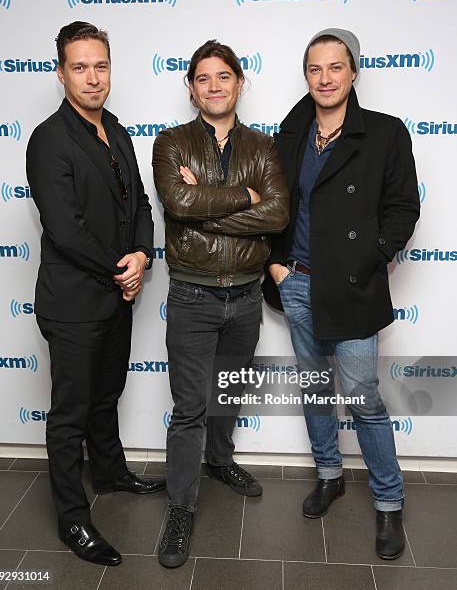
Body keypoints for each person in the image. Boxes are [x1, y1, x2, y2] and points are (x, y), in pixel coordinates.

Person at [263, 28, 420, 560]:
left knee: (363, 398)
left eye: (335, 67)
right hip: (299, 282)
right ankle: (329, 473)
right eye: (315, 68)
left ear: (354, 73)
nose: (325, 78)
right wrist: (277, 265)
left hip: (352, 287)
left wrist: (369, 259)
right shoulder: (290, 134)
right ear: (305, 77)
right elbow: (272, 205)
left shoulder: (384, 133)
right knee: (314, 388)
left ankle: (389, 501)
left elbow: (403, 208)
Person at [26, 21, 165, 567]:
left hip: (115, 295)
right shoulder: (49, 139)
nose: (92, 77)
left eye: (100, 66)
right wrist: (120, 268)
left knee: (106, 394)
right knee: (70, 412)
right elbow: (65, 228)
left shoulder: (119, 132)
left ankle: (109, 472)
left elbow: (141, 207)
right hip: (74, 302)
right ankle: (73, 518)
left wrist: (142, 255)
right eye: (80, 67)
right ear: (62, 73)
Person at [152, 40, 289, 568]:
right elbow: (178, 201)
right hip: (192, 294)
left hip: (247, 295)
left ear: (239, 83)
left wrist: (206, 205)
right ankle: (182, 508)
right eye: (203, 78)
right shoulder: (171, 143)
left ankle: (221, 461)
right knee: (189, 409)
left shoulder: (263, 146)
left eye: (223, 77)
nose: (214, 86)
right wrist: (246, 198)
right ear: (191, 88)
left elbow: (277, 216)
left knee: (225, 395)